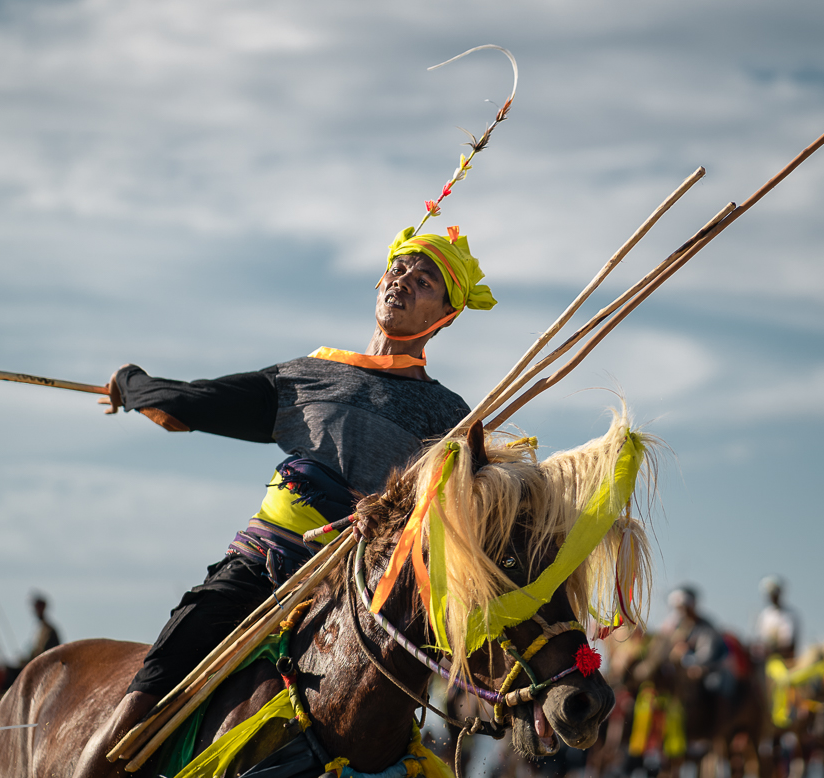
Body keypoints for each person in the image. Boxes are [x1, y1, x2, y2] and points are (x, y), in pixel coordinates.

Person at [72, 227, 495, 778]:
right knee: (161, 672)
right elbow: (198, 401)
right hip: (259, 569)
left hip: (358, 597)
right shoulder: (310, 376)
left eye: (424, 281)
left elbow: (484, 518)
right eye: (399, 271)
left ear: (446, 315)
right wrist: (132, 384)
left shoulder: (451, 419)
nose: (403, 284)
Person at [753, 575, 799, 660]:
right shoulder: (765, 615)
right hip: (764, 660)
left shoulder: (790, 615)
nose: (773, 596)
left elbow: (789, 643)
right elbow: (760, 639)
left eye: (775, 593)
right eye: (771, 593)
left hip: (784, 659)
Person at [25, 591, 62, 665]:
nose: (36, 610)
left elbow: (40, 651)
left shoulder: (48, 630)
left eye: (38, 607)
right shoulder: (40, 627)